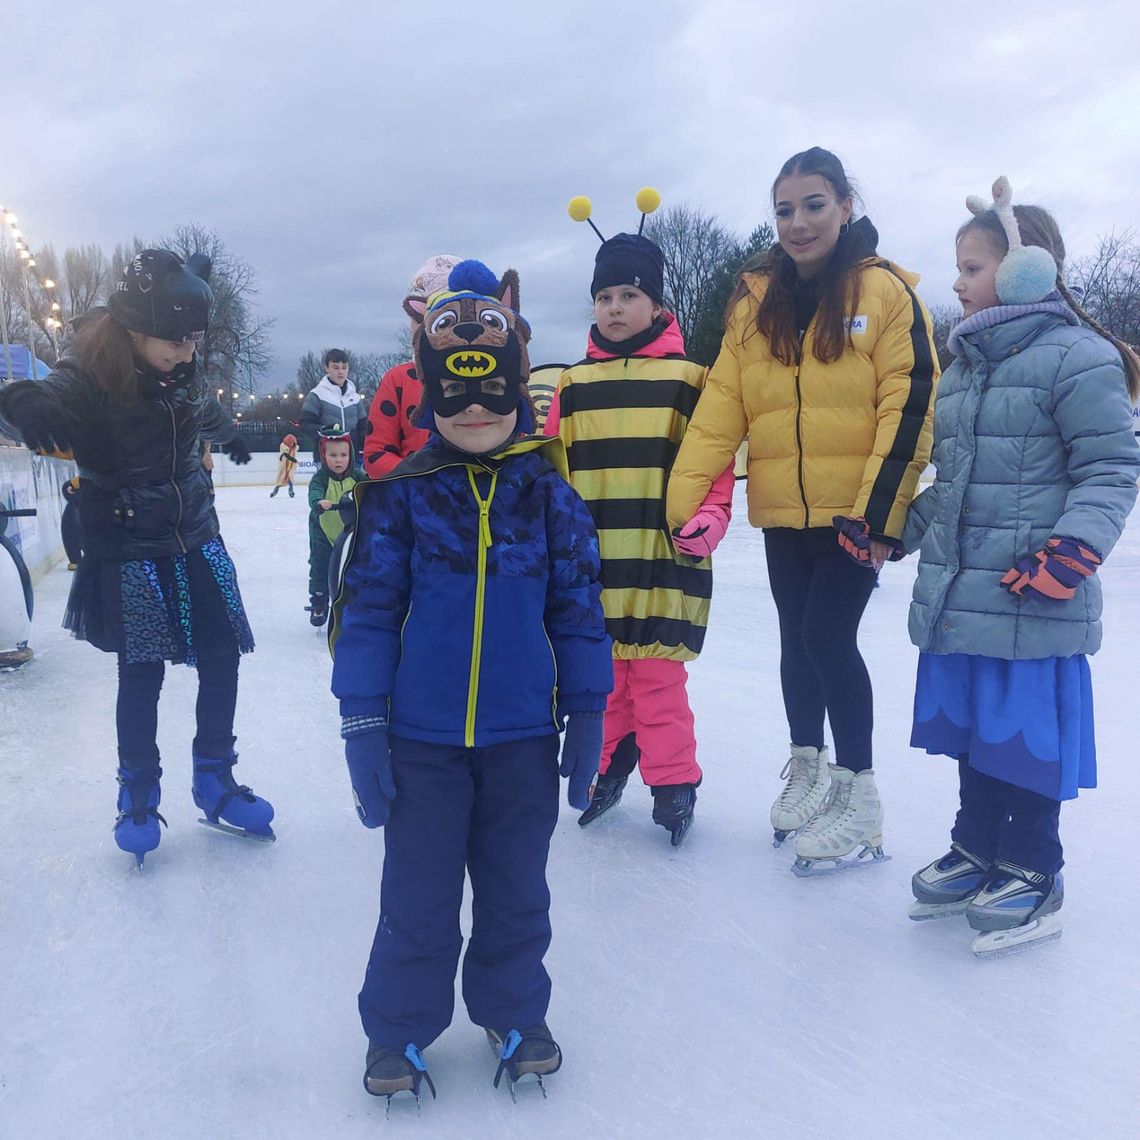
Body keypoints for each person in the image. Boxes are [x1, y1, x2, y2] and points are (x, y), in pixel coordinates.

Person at [330, 260, 612, 1105]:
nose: (477, 407)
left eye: (492, 390)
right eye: (455, 392)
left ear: (519, 390)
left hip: (523, 739)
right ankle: (399, 1031)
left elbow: (580, 611)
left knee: (518, 891)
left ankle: (516, 1011)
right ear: (428, 397)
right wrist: (362, 720)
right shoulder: (401, 499)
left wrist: (589, 707)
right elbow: (370, 613)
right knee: (416, 899)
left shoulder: (551, 498)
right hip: (422, 744)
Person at [666, 147, 939, 872]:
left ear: (846, 205)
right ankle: (810, 765)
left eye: (814, 205)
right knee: (797, 639)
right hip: (784, 507)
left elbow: (907, 402)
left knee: (828, 637)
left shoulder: (885, 294)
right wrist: (684, 499)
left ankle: (860, 795)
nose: (798, 222)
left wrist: (879, 514)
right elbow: (724, 403)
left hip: (853, 513)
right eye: (784, 209)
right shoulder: (758, 303)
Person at [902, 178, 1140, 956]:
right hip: (967, 593)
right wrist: (892, 533)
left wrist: (1069, 555)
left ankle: (1036, 869)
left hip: (1035, 593)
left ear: (1025, 272)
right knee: (977, 733)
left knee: (1022, 735)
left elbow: (1110, 469)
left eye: (970, 268)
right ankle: (978, 848)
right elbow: (956, 482)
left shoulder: (1078, 357)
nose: (958, 283)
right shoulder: (967, 366)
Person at [0, 249, 274, 866]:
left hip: (197, 534)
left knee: (223, 655)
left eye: (193, 341)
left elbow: (202, 411)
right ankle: (139, 791)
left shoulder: (182, 369)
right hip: (130, 546)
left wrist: (227, 434)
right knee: (142, 672)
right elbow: (38, 391)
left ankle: (214, 778)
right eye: (174, 341)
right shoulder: (92, 373)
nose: (186, 353)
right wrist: (21, 401)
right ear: (130, 330)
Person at [549, 188, 734, 847]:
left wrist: (710, 519)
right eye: (605, 297)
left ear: (657, 303)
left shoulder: (691, 379)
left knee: (656, 680)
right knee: (600, 679)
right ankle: (606, 764)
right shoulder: (572, 387)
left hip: (661, 558)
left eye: (629, 296)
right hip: (595, 561)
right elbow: (554, 473)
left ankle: (674, 781)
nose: (616, 308)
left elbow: (712, 464)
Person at [361, 254, 459, 477]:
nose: (425, 327)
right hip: (414, 503)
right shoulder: (399, 379)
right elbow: (376, 454)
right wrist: (417, 482)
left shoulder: (493, 378)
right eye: (417, 318)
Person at [306, 424, 366, 627]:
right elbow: (314, 493)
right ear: (324, 456)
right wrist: (318, 502)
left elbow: (370, 489)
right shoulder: (320, 478)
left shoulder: (357, 476)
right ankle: (319, 602)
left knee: (354, 563)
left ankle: (355, 599)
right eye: (332, 455)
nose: (338, 460)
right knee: (320, 563)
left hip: (350, 530)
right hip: (322, 529)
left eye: (343, 454)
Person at [299, 348, 366, 454]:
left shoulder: (355, 398)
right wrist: (325, 431)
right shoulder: (316, 395)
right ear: (327, 368)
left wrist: (364, 444)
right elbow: (305, 424)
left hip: (353, 458)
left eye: (344, 368)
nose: (341, 372)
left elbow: (364, 427)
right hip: (325, 457)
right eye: (335, 367)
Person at [270, 432, 299, 498]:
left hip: (291, 465)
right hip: (283, 465)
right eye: (291, 442)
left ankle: (291, 490)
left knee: (290, 476)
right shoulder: (283, 446)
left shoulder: (295, 447)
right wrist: (295, 460)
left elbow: (294, 454)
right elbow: (286, 455)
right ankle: (275, 490)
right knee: (281, 477)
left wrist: (294, 461)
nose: (292, 444)